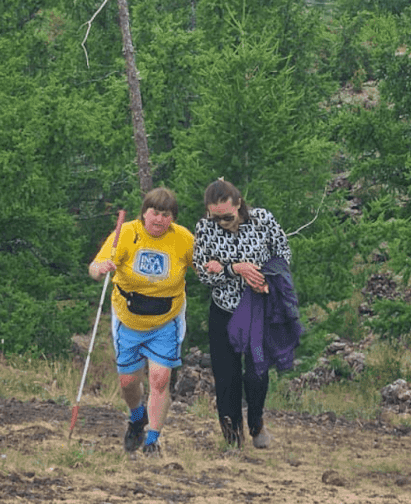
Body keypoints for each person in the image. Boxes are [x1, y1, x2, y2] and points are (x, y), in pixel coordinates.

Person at [193, 178, 299, 450]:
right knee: (226, 376)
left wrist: (264, 277)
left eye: (227, 217)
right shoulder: (205, 229)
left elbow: (283, 254)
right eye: (215, 218)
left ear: (239, 204)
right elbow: (203, 273)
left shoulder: (263, 220)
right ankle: (232, 438)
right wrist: (234, 268)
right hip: (224, 311)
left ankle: (256, 423)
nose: (222, 224)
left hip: (259, 310)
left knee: (257, 373)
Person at [89, 187, 194, 457]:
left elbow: (204, 266)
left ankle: (152, 441)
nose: (159, 220)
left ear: (173, 218)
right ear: (144, 213)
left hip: (165, 319)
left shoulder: (182, 239)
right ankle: (137, 418)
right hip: (129, 317)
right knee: (127, 382)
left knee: (160, 378)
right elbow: (95, 266)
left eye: (166, 215)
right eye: (155, 213)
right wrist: (100, 270)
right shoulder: (126, 233)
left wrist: (217, 268)